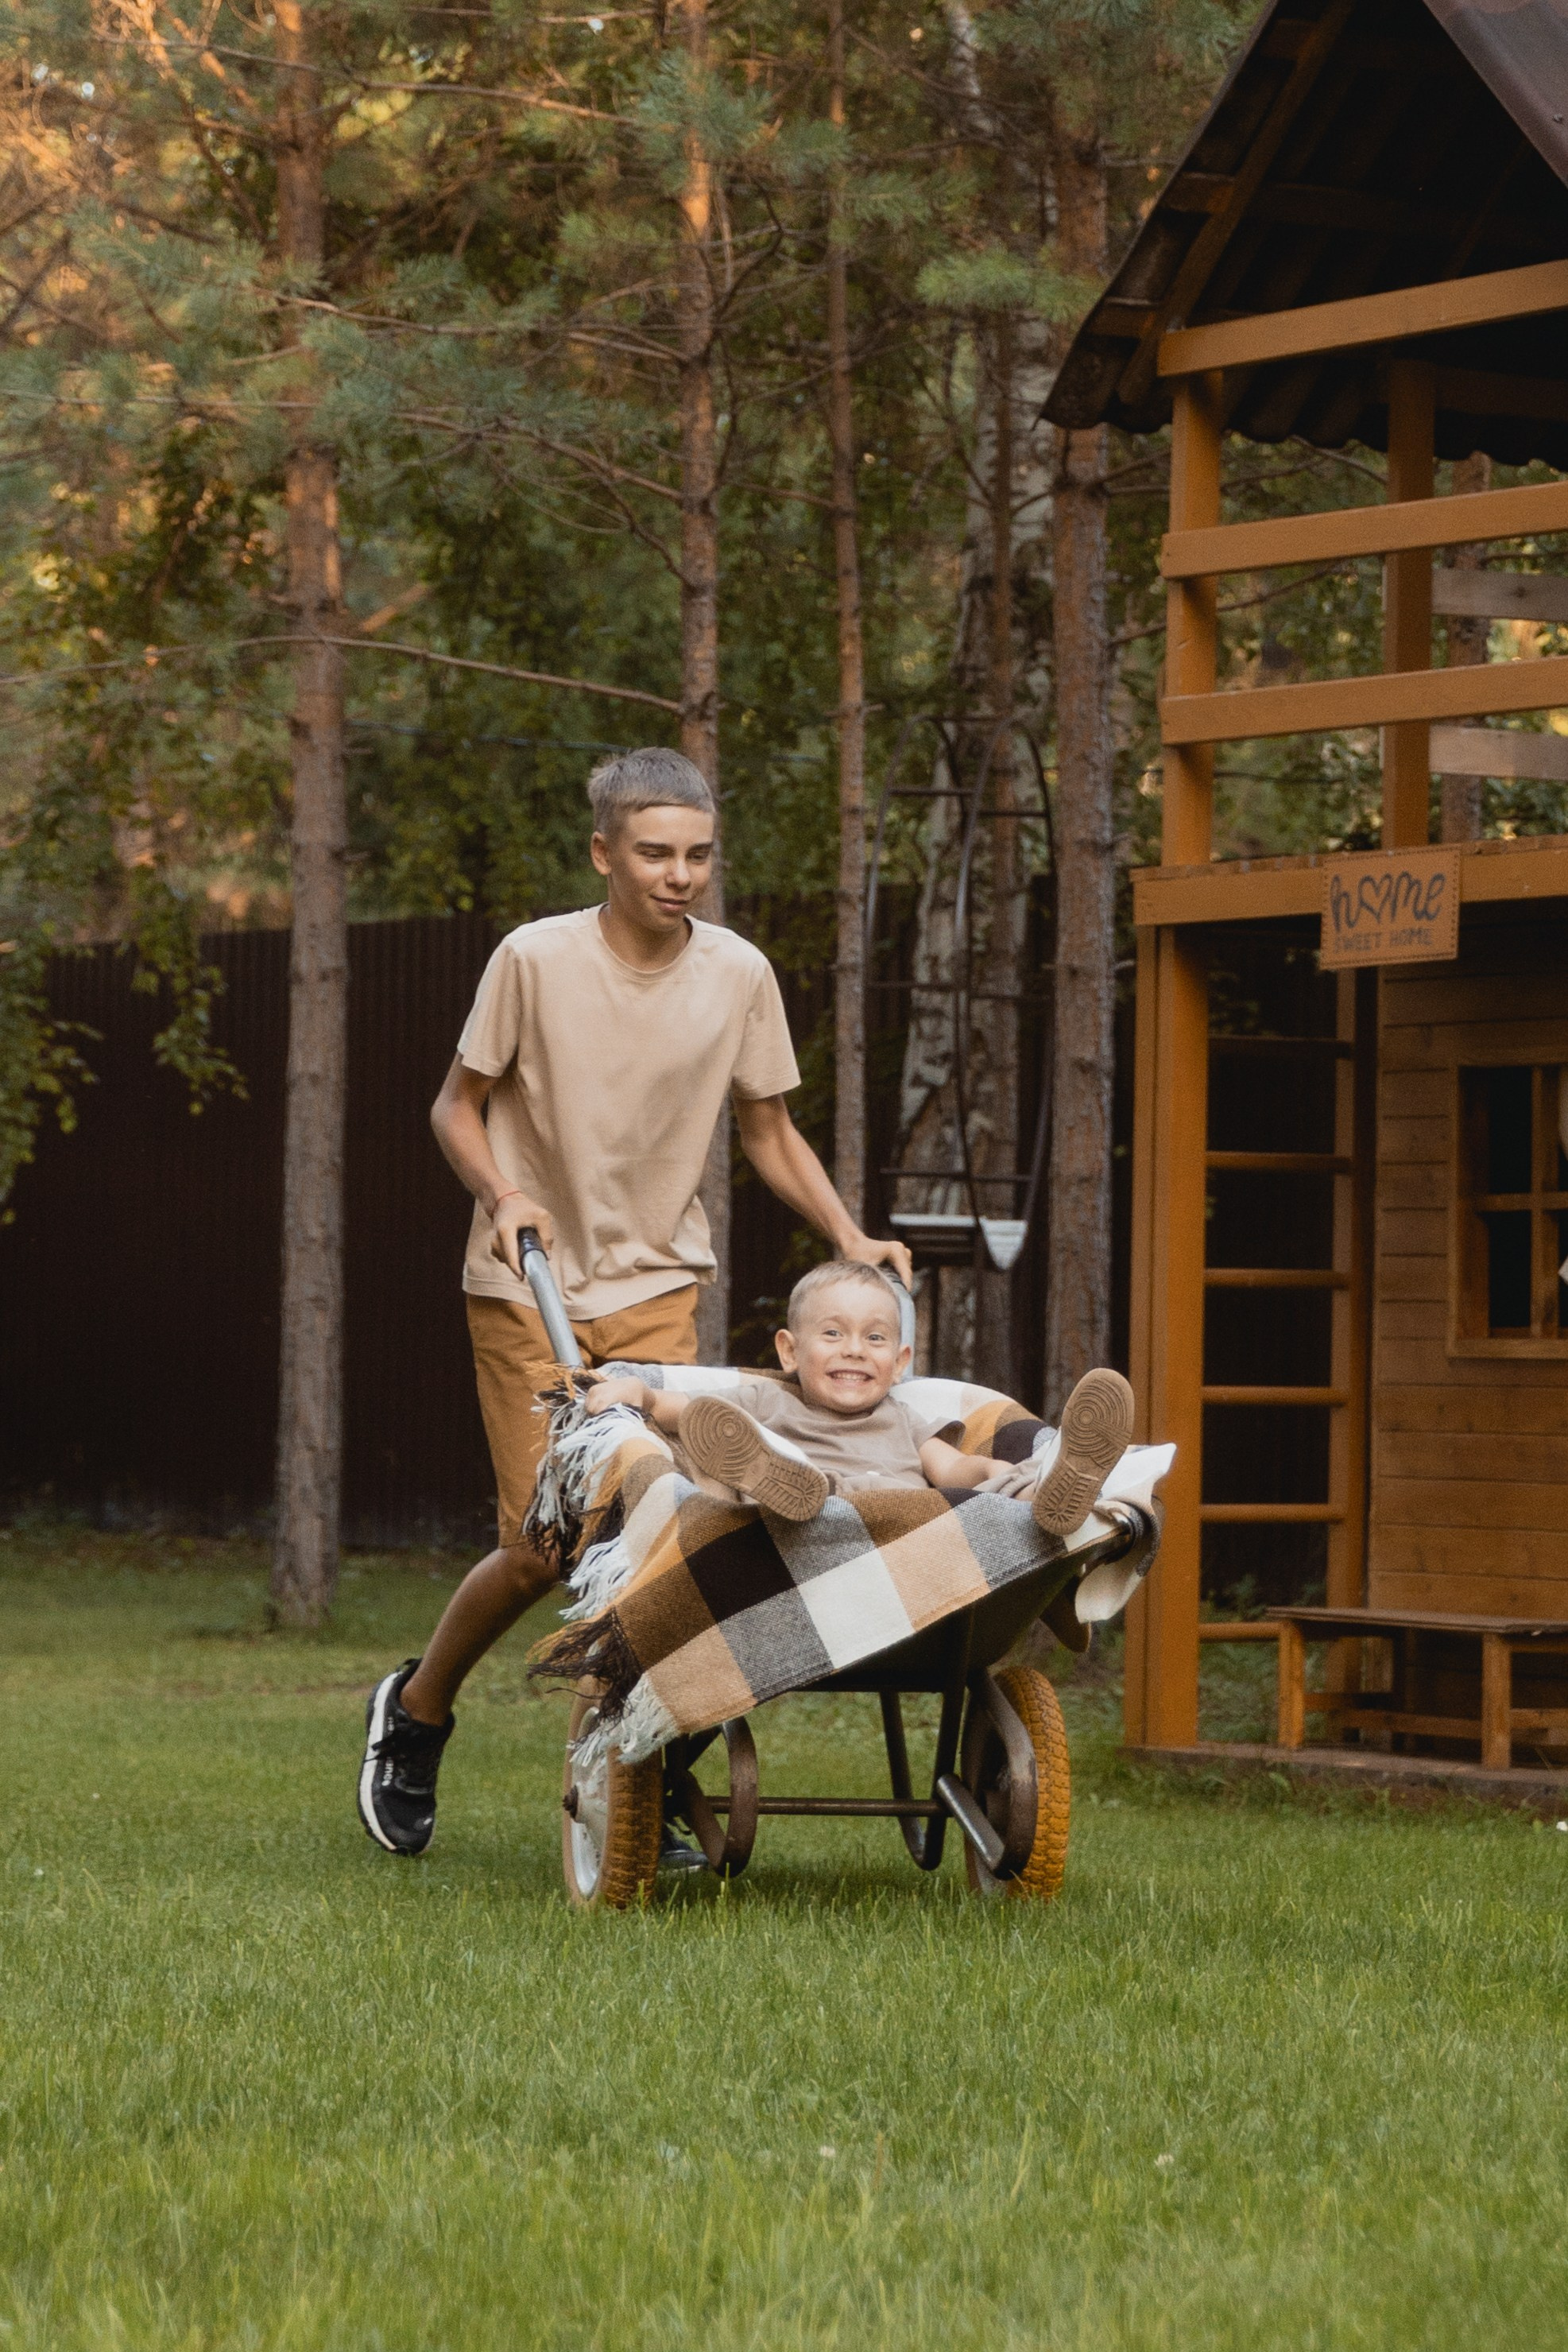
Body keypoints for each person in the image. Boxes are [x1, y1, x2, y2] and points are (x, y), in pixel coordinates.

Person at [358, 747, 913, 1858]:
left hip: (660, 1287)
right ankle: (414, 1710)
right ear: (603, 851)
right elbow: (453, 1106)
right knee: (546, 1545)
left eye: (698, 854)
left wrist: (848, 1233)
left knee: (667, 1540)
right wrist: (505, 1189)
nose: (680, 874)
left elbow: (766, 1128)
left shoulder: (738, 973)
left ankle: (641, 1778)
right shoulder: (534, 958)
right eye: (655, 852)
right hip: (532, 1285)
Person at [583, 1260, 1134, 1542]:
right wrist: (642, 1392)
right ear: (789, 1350)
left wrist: (998, 1469)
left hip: (912, 1534)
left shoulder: (906, 1417)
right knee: (796, 1481)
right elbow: (694, 1413)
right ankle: (779, 1478)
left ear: (898, 1362)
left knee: (988, 1492)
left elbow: (954, 1468)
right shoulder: (769, 1401)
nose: (854, 1350)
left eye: (874, 1339)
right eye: (832, 1334)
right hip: (811, 1525)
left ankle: (1054, 1485)